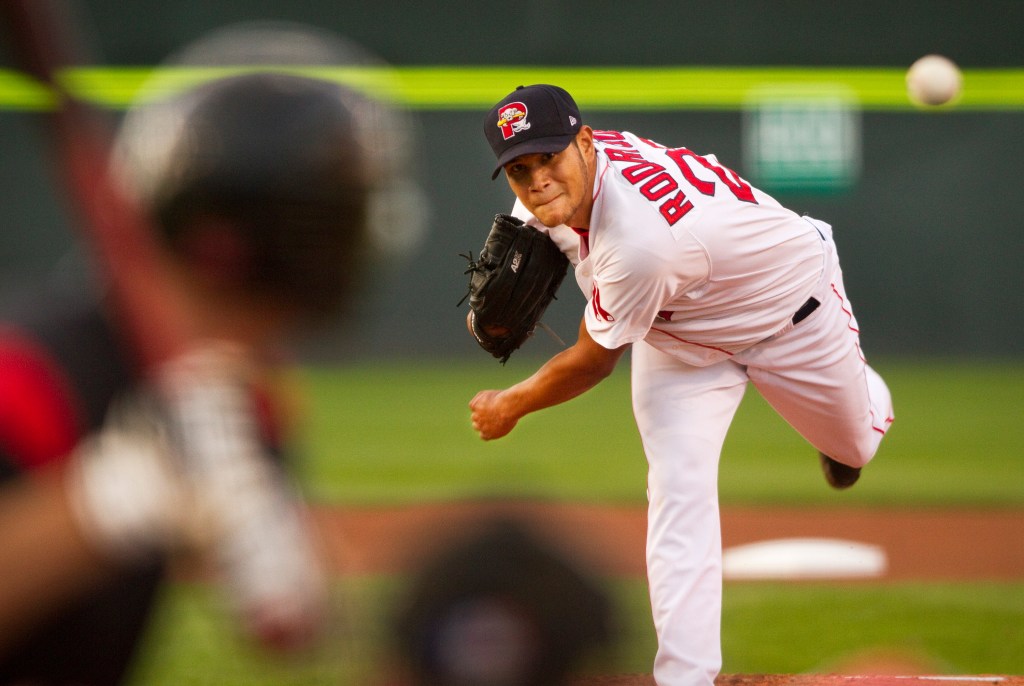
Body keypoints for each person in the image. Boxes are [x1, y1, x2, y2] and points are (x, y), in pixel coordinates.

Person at [468, 84, 895, 685]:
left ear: (586, 144)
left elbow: (593, 361)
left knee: (857, 445)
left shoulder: (641, 244)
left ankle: (859, 391)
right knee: (677, 487)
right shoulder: (554, 199)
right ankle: (685, 678)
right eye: (519, 168)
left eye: (549, 157)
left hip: (790, 313)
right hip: (681, 338)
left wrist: (510, 404)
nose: (537, 180)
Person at [0, 24, 375, 684]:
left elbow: (291, 628)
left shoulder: (239, 399)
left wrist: (288, 564)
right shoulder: (29, 379)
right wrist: (109, 501)